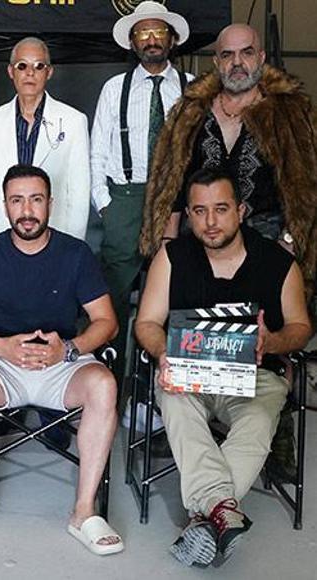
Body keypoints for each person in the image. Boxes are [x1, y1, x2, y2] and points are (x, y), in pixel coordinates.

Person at [140, 23, 317, 477]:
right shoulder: (192, 111)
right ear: (216, 61)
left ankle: (274, 431)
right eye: (228, 55)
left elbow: (305, 182)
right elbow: (173, 180)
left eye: (246, 53)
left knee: (266, 336)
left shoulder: (289, 111)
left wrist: (290, 243)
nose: (237, 63)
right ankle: (182, 418)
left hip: (269, 238)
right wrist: (167, 242)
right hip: (200, 234)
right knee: (185, 323)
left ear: (261, 58)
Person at [0, 164, 122, 556]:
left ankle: (84, 512)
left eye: (36, 200)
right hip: (3, 363)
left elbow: (107, 321)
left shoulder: (75, 254)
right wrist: (0, 347)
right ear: (4, 205)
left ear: (50, 203)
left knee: (104, 384)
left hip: (61, 362)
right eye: (17, 200)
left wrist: (68, 349)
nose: (26, 211)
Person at [135, 168, 311, 567]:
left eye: (221, 209)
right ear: (189, 215)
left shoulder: (276, 263)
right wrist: (163, 352)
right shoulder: (173, 258)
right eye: (199, 211)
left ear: (241, 210)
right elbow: (146, 323)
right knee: (175, 402)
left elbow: (300, 327)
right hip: (188, 371)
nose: (210, 221)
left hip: (256, 374)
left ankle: (204, 519)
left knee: (258, 419)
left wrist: (272, 341)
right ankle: (223, 511)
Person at [90, 1, 191, 383]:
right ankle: (110, 382)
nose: (151, 39)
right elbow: (97, 151)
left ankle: (161, 386)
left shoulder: (192, 88)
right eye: (143, 33)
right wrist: (105, 204)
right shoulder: (114, 88)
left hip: (178, 198)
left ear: (172, 39)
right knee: (114, 293)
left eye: (158, 31)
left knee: (175, 291)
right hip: (126, 197)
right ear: (133, 42)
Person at [0, 37, 90, 243]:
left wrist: (72, 247)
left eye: (39, 66)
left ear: (49, 72)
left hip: (55, 235)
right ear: (11, 71)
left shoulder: (74, 121)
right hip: (1, 236)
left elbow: (79, 194)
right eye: (22, 66)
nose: (30, 73)